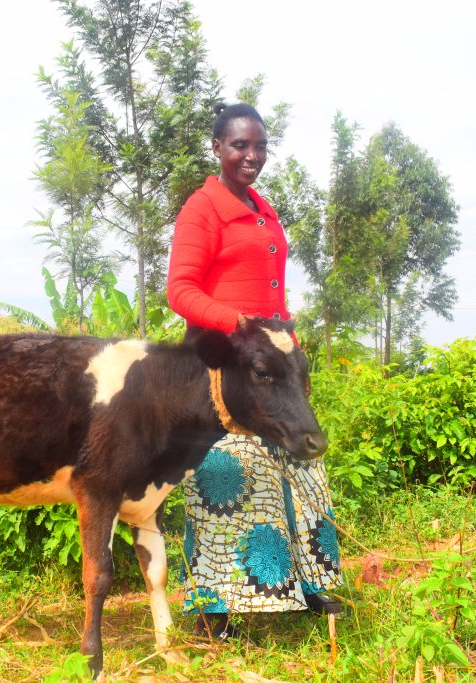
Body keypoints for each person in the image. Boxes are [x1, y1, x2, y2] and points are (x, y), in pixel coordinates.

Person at [167, 102, 343, 640]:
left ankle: (309, 581)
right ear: (218, 148)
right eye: (240, 145)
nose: (251, 155)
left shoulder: (264, 211)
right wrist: (238, 324)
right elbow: (180, 290)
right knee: (228, 471)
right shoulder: (203, 209)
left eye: (260, 146)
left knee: (300, 457)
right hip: (220, 366)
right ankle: (214, 608)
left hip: (268, 360)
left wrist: (279, 333)